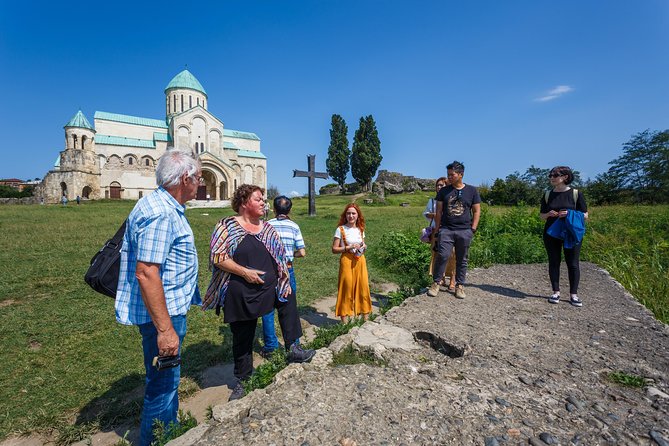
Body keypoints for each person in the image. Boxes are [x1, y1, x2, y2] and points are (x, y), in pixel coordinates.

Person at [115, 149, 202, 446]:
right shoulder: (161, 212)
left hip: (167, 310)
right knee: (162, 385)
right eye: (199, 177)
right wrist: (165, 330)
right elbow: (147, 273)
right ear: (186, 178)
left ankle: (171, 434)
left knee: (168, 380)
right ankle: (155, 440)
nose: (200, 183)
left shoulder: (163, 205)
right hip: (162, 316)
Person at [202, 184, 315, 401]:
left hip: (269, 287)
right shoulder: (226, 226)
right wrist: (245, 273)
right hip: (241, 290)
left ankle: (294, 347)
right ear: (244, 203)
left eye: (263, 199)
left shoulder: (267, 228)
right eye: (258, 199)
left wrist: (283, 277)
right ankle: (243, 380)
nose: (264, 202)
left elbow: (280, 255)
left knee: (287, 299)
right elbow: (218, 257)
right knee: (243, 335)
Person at [428, 160, 481, 299]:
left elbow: (476, 211)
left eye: (452, 175)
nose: (449, 177)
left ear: (461, 174)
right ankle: (436, 283)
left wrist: (473, 229)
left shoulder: (471, 191)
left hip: (464, 230)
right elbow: (439, 212)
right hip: (447, 229)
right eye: (448, 174)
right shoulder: (444, 191)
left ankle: (460, 286)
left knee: (462, 259)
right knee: (443, 255)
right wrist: (438, 230)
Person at [261, 195, 306, 357]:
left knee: (267, 309)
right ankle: (293, 344)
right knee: (289, 308)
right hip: (287, 269)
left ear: (273, 209)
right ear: (290, 210)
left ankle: (270, 346)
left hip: (269, 270)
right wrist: (290, 254)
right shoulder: (294, 226)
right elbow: (302, 252)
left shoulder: (265, 226)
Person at [540, 166, 588, 307]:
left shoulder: (576, 194)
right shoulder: (548, 194)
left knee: (572, 263)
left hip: (571, 233)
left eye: (555, 175)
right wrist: (549, 214)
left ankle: (574, 295)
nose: (552, 178)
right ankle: (556, 292)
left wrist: (569, 214)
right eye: (550, 175)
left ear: (565, 177)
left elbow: (585, 215)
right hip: (551, 233)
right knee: (554, 262)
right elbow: (542, 215)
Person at [332, 203, 372, 322]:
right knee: (346, 287)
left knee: (363, 287)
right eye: (348, 213)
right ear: (345, 215)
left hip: (360, 260)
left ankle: (365, 318)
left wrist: (364, 246)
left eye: (353, 213)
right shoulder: (340, 229)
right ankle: (345, 321)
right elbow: (334, 249)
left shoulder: (360, 229)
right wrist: (348, 247)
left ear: (358, 215)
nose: (351, 215)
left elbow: (363, 243)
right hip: (347, 260)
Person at [423, 177, 456, 292]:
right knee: (437, 255)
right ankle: (440, 278)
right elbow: (426, 214)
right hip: (435, 231)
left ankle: (452, 278)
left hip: (448, 230)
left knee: (451, 255)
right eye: (438, 185)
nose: (439, 187)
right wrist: (434, 215)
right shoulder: (432, 201)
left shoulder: (452, 199)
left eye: (442, 185)